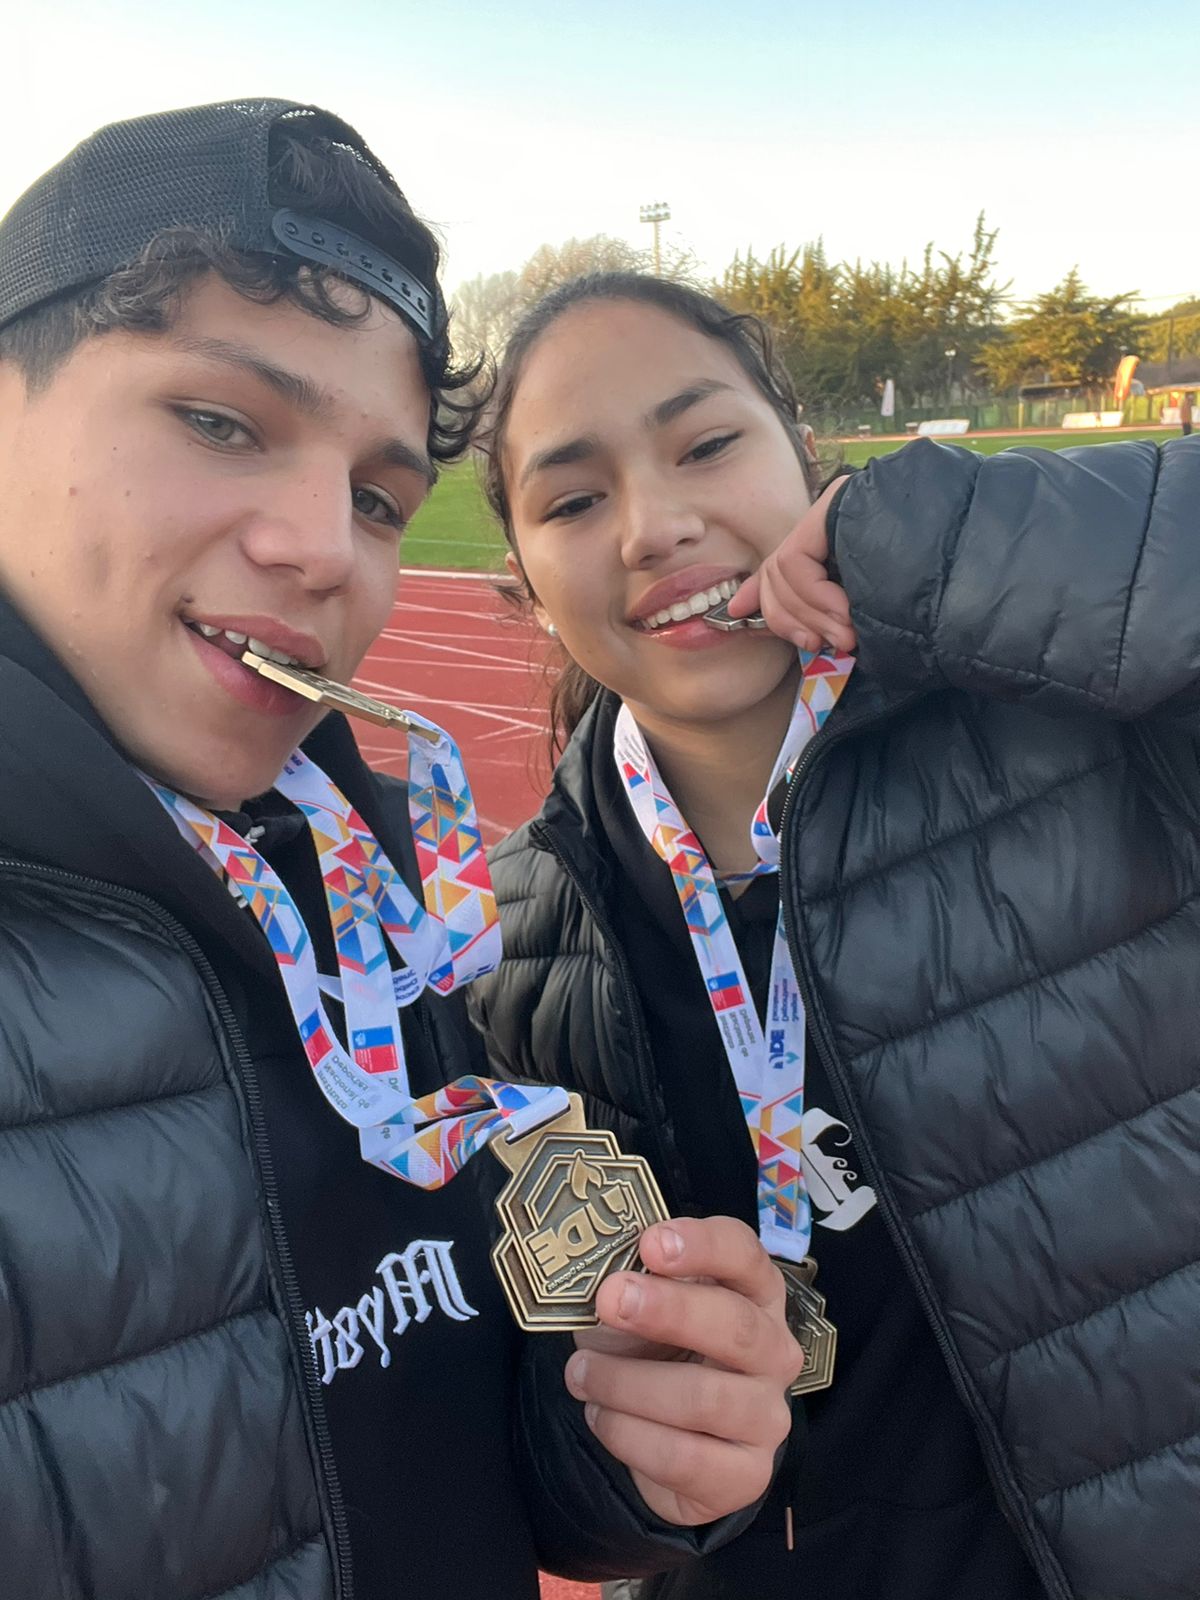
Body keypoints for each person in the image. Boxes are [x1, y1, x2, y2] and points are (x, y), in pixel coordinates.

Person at [0, 108, 804, 1600]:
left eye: (377, 495)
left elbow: (431, 1432)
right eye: (221, 421)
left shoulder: (373, 918)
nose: (325, 547)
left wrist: (625, 1451)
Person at [467, 270, 1200, 1600]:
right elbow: (545, 1432)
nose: (654, 525)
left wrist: (938, 543)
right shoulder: (506, 948)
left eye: (706, 445)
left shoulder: (1066, 732)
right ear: (518, 572)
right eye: (573, 499)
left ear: (807, 460)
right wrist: (637, 1475)